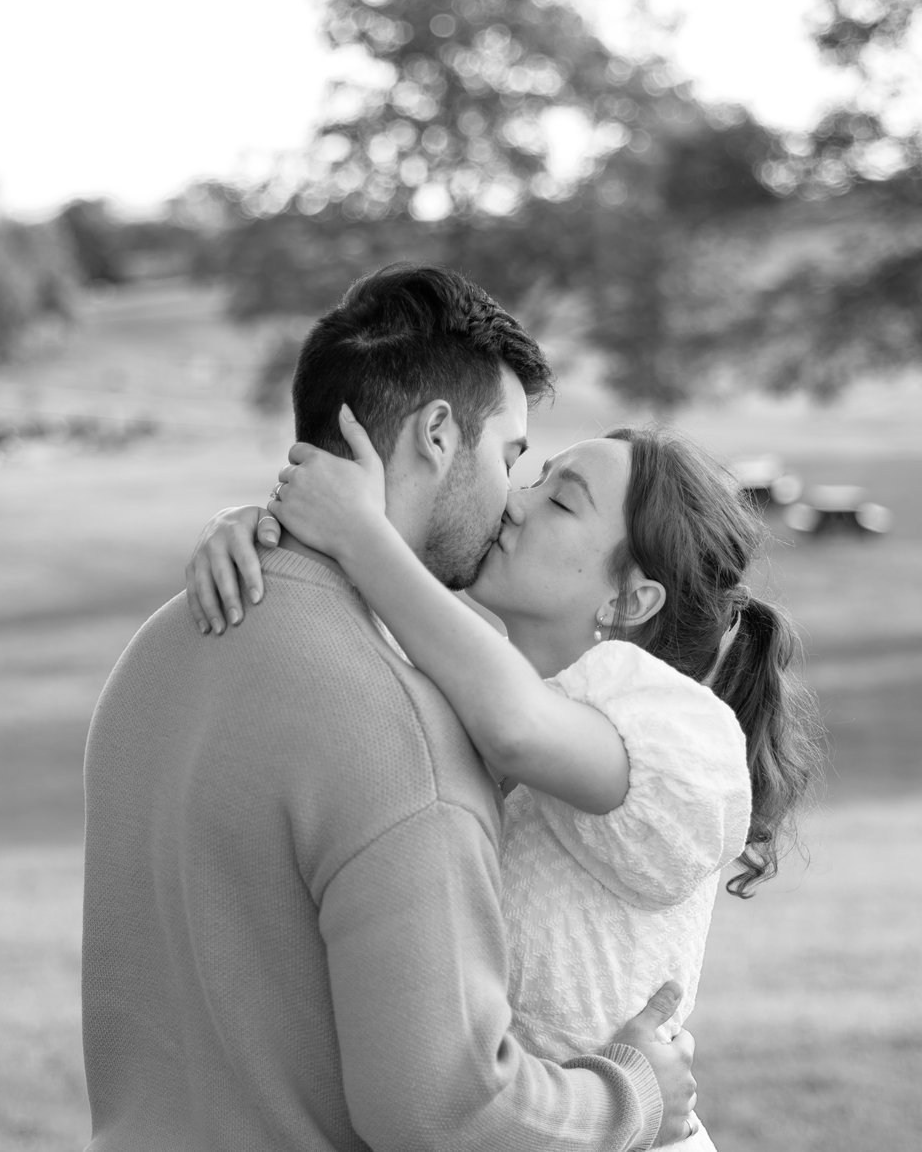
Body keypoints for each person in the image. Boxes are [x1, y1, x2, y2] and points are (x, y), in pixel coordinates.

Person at [82, 262, 699, 1152]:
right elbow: (448, 1110)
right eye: (511, 457)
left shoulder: (157, 651)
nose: (511, 503)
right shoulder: (399, 729)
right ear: (439, 435)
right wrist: (634, 1094)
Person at [186, 415, 822, 1152]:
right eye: (534, 477)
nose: (516, 501)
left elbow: (518, 728)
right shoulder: (477, 680)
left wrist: (360, 535)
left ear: (631, 601)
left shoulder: (679, 728)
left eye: (561, 501)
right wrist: (255, 534)